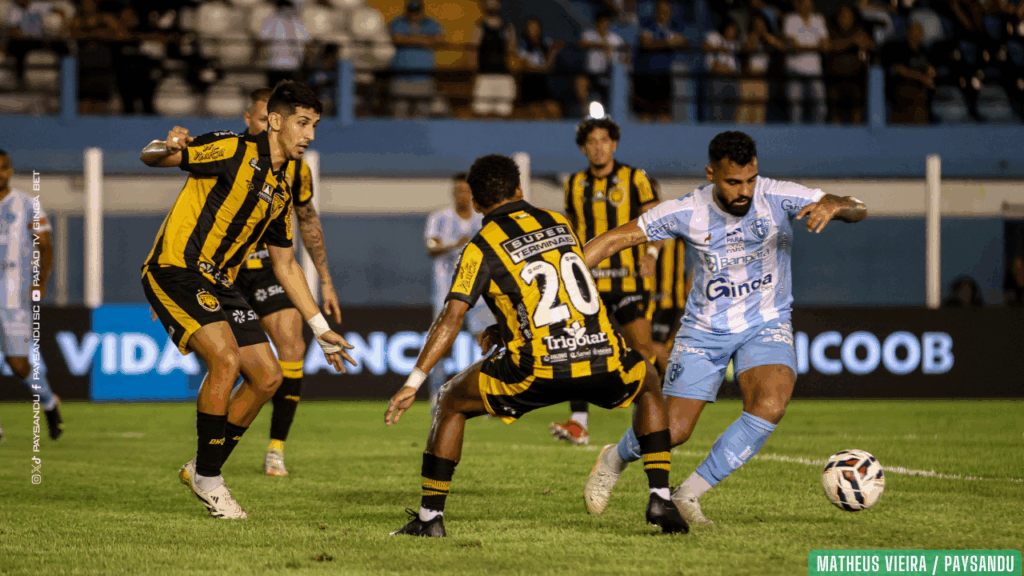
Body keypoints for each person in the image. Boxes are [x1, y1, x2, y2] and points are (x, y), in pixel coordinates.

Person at [385, 154, 687, 537]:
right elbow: (556, 290)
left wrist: (413, 381)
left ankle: (430, 519)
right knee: (648, 383)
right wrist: (504, 326)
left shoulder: (480, 246)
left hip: (537, 370)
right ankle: (660, 496)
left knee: (450, 401)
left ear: (475, 203)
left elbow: (452, 317)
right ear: (519, 188)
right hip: (601, 356)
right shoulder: (559, 222)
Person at [582, 131, 867, 525]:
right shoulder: (687, 210)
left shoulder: (777, 195)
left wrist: (835, 205)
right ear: (711, 174)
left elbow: (856, 208)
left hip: (766, 322)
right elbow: (616, 239)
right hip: (704, 331)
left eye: (750, 179)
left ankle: (688, 494)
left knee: (771, 404)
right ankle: (614, 458)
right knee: (674, 430)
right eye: (733, 182)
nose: (744, 190)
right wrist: (566, 276)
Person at [139, 81, 355, 520]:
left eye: (314, 126)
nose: (309, 135)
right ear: (274, 121)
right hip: (176, 269)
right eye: (302, 123)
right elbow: (155, 158)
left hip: (222, 283)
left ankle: (202, 468)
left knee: (269, 377)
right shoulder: (232, 149)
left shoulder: (280, 191)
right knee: (226, 358)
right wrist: (167, 144)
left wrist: (320, 329)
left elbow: (286, 266)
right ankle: (210, 479)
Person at [232, 88, 342, 476]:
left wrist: (325, 280)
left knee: (293, 344)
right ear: (251, 120)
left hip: (271, 267)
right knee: (227, 360)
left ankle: (276, 448)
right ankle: (215, 442)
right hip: (226, 271)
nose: (270, 127)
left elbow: (307, 219)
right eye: (263, 120)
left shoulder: (296, 169)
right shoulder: (230, 155)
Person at [551, 117, 660, 446]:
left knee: (642, 349)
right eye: (592, 142)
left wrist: (651, 253)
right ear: (583, 148)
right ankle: (579, 424)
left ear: (614, 144)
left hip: (628, 280)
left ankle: (648, 417)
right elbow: (571, 228)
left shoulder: (635, 178)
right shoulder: (574, 183)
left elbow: (658, 220)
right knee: (576, 347)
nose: (598, 147)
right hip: (588, 282)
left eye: (604, 140)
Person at [0, 149, 62, 440]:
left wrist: (40, 281)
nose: (0, 173)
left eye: (4, 167)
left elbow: (45, 245)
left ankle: (48, 401)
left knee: (18, 364)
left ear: (10, 171)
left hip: (14, 296)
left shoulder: (27, 204)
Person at [423, 173, 495, 404]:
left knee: (487, 343)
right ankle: (437, 395)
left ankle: (489, 394)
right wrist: (456, 244)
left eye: (466, 191)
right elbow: (431, 248)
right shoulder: (439, 218)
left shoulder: (484, 220)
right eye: (458, 191)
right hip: (447, 294)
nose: (462, 195)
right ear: (453, 193)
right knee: (441, 345)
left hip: (480, 295)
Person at [644, 178, 688, 375]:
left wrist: (693, 282)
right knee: (644, 350)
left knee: (656, 347)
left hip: (670, 301)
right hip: (645, 302)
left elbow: (703, 251)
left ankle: (681, 385)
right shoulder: (636, 226)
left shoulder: (674, 221)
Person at [388, 0, 446, 118]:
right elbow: (397, 39)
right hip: (400, 77)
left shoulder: (431, 23)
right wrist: (426, 40)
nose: (414, 15)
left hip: (423, 77)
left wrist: (408, 38)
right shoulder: (398, 22)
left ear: (422, 11)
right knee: (398, 115)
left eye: (416, 12)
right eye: (411, 11)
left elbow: (440, 40)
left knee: (422, 116)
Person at [634, 0, 687, 122]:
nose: (664, 13)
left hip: (664, 75)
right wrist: (668, 43)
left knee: (664, 114)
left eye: (666, 11)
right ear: (656, 11)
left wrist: (660, 42)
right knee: (645, 115)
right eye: (661, 10)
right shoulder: (647, 24)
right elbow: (645, 43)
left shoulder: (675, 26)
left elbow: (684, 42)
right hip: (645, 74)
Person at [826, 4, 874, 125]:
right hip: (834, 80)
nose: (845, 19)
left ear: (853, 17)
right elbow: (830, 46)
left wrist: (866, 43)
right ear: (838, 17)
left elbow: (873, 46)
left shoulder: (859, 30)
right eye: (843, 16)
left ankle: (857, 134)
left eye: (848, 16)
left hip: (855, 80)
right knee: (834, 110)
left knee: (857, 110)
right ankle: (836, 133)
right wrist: (851, 41)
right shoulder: (831, 30)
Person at [783, 0, 830, 124]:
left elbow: (826, 45)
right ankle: (795, 133)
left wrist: (803, 47)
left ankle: (818, 132)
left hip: (815, 70)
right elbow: (794, 46)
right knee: (795, 109)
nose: (808, 6)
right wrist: (816, 47)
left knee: (821, 107)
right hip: (794, 69)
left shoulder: (818, 19)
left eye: (810, 3)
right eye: (804, 3)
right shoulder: (790, 19)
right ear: (798, 4)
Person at [470, 0, 517, 117]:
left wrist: (512, 36)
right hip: (484, 75)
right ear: (484, 5)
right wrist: (474, 74)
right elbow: (473, 52)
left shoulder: (507, 28)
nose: (491, 4)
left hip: (504, 76)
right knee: (481, 113)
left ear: (499, 5)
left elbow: (513, 50)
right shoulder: (479, 27)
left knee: (505, 113)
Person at [884, 21, 935, 125]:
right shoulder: (898, 48)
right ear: (907, 32)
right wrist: (921, 77)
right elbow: (900, 69)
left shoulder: (923, 50)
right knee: (916, 97)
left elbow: (930, 68)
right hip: (901, 86)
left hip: (921, 87)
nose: (916, 35)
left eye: (919, 32)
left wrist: (930, 73)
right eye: (914, 31)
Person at [576, 10, 626, 112]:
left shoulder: (616, 39)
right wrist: (602, 45)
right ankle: (584, 111)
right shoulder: (589, 35)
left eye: (606, 22)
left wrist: (609, 53)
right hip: (590, 73)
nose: (603, 25)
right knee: (580, 81)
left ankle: (615, 112)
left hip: (608, 74)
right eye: (601, 22)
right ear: (596, 23)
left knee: (619, 83)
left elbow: (622, 59)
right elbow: (581, 43)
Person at [517, 17, 564, 119]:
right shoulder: (522, 45)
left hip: (542, 83)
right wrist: (543, 68)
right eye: (531, 27)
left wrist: (553, 52)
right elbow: (525, 66)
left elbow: (550, 66)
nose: (534, 30)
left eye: (536, 27)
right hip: (528, 84)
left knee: (555, 109)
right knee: (537, 114)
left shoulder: (544, 44)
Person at [703, 19, 742, 122]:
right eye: (731, 28)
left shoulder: (736, 43)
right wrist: (720, 49)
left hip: (732, 79)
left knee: (731, 111)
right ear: (725, 28)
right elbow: (705, 46)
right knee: (716, 111)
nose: (732, 31)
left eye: (735, 29)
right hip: (717, 79)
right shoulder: (714, 36)